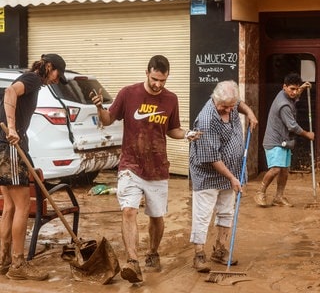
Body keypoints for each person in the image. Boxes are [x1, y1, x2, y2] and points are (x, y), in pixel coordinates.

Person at [91, 55, 201, 284]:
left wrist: (187, 135)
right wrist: (99, 107)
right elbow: (108, 119)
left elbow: (174, 130)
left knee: (156, 217)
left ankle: (152, 252)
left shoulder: (171, 99)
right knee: (129, 210)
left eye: (163, 80)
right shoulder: (128, 93)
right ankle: (133, 262)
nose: (158, 84)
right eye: (154, 79)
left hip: (158, 167)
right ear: (147, 72)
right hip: (130, 164)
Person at [0, 53, 67, 280]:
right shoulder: (33, 79)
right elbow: (10, 92)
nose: (57, 79)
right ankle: (18, 264)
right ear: (48, 66)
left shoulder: (32, 81)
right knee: (20, 206)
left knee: (9, 206)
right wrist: (11, 128)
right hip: (10, 146)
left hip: (5, 147)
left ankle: (4, 260)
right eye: (57, 73)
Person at [189, 80, 258, 272]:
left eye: (231, 106)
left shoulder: (231, 103)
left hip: (231, 171)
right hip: (209, 174)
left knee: (227, 211)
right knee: (203, 215)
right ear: (215, 99)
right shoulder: (206, 120)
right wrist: (232, 178)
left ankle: (219, 249)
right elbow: (213, 158)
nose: (229, 110)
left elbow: (239, 104)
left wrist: (250, 113)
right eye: (225, 107)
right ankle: (199, 255)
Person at [254, 73, 314, 208]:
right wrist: (307, 134)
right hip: (275, 140)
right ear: (284, 87)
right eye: (292, 89)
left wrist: (302, 88)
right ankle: (260, 192)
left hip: (284, 140)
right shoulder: (284, 104)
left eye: (296, 89)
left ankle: (278, 197)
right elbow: (292, 126)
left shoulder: (286, 95)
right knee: (275, 169)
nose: (294, 92)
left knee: (284, 170)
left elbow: (295, 96)